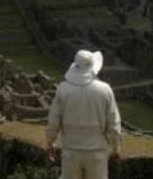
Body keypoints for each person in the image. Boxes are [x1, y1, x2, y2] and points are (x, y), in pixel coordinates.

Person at [45, 50, 122, 179]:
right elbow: (114, 124)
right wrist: (116, 149)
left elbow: (53, 122)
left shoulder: (63, 89)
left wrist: (50, 143)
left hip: (71, 151)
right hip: (97, 152)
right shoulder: (105, 90)